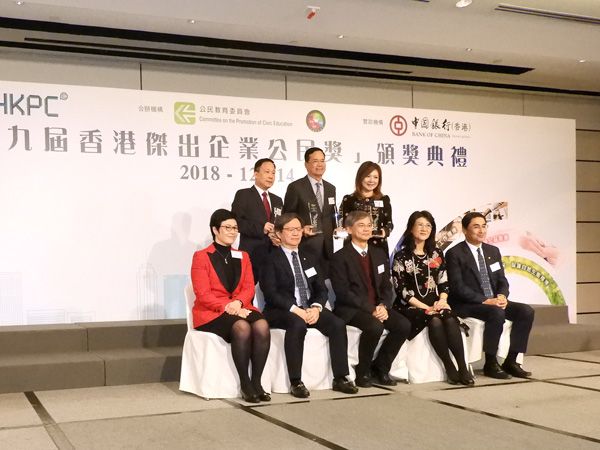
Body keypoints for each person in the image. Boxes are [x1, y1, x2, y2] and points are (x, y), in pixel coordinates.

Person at [260, 213, 358, 398]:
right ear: (279, 233)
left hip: (309, 308)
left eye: (298, 229)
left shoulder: (309, 257)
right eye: (290, 229)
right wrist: (296, 310)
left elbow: (321, 289)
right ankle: (296, 381)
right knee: (297, 324)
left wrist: (316, 307)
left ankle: (340, 377)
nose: (296, 233)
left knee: (337, 324)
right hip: (282, 310)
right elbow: (271, 293)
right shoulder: (270, 259)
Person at [190, 209, 271, 403]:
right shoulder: (201, 256)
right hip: (212, 312)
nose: (233, 232)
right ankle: (245, 383)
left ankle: (257, 382)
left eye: (235, 228)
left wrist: (238, 303)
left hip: (240, 306)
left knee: (262, 325)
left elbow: (249, 287)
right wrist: (229, 307)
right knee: (241, 327)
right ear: (215, 230)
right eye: (228, 227)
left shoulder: (243, 255)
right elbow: (203, 294)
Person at [446, 212, 535, 379]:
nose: (481, 231)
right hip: (468, 304)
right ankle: (491, 363)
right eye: (476, 226)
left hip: (494, 301)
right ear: (464, 230)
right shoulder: (455, 253)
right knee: (496, 312)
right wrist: (486, 300)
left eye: (484, 226)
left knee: (526, 311)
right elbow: (457, 287)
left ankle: (511, 361)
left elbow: (502, 280)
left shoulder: (492, 251)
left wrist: (502, 296)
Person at [392, 211, 473, 386]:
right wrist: (426, 308)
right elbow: (401, 291)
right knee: (434, 320)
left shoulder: (436, 253)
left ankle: (462, 366)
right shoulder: (401, 256)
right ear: (411, 228)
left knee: (449, 318)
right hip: (410, 306)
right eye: (420, 225)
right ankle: (449, 366)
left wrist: (442, 300)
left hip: (434, 303)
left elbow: (444, 282)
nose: (424, 229)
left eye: (428, 226)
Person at [330, 210, 410, 387]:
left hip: (377, 306)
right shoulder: (340, 257)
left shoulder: (379, 253)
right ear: (349, 229)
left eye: (369, 225)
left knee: (403, 325)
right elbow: (344, 292)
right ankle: (362, 371)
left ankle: (380, 368)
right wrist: (371, 309)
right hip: (352, 309)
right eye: (361, 225)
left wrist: (383, 305)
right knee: (375, 326)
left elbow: (386, 286)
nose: (367, 229)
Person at [283, 147, 336, 274]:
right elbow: (287, 217)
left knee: (327, 282)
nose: (320, 165)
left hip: (328, 248)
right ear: (306, 164)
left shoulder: (331, 188)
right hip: (306, 246)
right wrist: (301, 229)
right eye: (315, 161)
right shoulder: (295, 187)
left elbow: (331, 214)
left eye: (322, 161)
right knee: (309, 281)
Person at [231, 158, 283, 283]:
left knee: (273, 290)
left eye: (273, 173)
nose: (271, 176)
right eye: (267, 172)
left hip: (273, 255)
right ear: (256, 173)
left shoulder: (277, 200)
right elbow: (236, 222)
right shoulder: (244, 195)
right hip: (251, 254)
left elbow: (280, 224)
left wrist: (278, 236)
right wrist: (261, 228)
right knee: (248, 290)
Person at [340, 161, 393, 254]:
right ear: (360, 177)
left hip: (378, 247)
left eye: (375, 177)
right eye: (368, 176)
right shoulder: (349, 199)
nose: (371, 180)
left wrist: (384, 231)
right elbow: (343, 222)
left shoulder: (384, 199)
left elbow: (389, 223)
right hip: (354, 247)